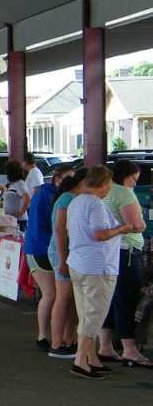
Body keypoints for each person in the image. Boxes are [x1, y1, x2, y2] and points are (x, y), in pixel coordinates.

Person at [66, 165, 132, 379]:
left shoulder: (75, 202)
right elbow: (100, 234)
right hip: (97, 267)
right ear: (104, 184)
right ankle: (80, 361)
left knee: (86, 314)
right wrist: (123, 228)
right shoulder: (95, 204)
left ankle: (91, 358)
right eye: (109, 184)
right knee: (94, 316)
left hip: (78, 263)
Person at [98, 160, 151, 367]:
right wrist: (143, 224)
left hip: (109, 252)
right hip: (127, 252)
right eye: (134, 179)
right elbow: (137, 225)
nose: (136, 184)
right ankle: (130, 349)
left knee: (111, 299)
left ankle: (105, 346)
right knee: (127, 300)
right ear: (126, 176)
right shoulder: (124, 193)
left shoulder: (106, 191)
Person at [25, 164, 74, 351]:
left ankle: (54, 336)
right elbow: (41, 227)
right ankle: (44, 336)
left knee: (57, 296)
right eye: (67, 178)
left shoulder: (55, 195)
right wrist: (58, 250)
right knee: (52, 295)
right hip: (40, 249)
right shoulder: (47, 196)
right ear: (57, 179)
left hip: (45, 249)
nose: (71, 182)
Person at [47, 169, 87, 359]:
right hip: (62, 253)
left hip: (69, 254)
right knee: (63, 298)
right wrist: (63, 259)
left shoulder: (72, 198)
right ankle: (56, 343)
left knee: (70, 299)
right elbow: (59, 230)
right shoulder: (67, 199)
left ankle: (67, 339)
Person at [4, 160, 30, 232]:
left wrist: (21, 212)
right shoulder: (13, 184)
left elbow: (27, 199)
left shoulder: (20, 184)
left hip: (19, 221)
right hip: (11, 219)